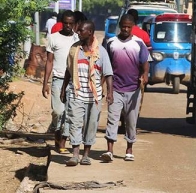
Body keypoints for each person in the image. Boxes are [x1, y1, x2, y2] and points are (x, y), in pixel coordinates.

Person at [60, 21, 113, 166]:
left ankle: (86, 155)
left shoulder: (101, 52)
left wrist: (110, 93)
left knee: (91, 125)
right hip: (76, 93)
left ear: (90, 32)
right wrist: (63, 89)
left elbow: (108, 74)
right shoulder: (74, 49)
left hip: (93, 96)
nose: (78, 32)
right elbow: (68, 70)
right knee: (75, 123)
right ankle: (75, 155)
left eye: (81, 30)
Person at [102, 14, 149, 163]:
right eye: (124, 26)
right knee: (112, 119)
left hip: (133, 89)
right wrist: (103, 86)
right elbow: (105, 65)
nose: (126, 29)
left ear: (133, 26)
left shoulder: (138, 43)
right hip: (115, 88)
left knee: (131, 121)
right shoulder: (111, 43)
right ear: (120, 26)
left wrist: (145, 75)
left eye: (129, 27)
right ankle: (109, 150)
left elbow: (145, 63)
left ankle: (129, 149)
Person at [43, 10, 78, 154]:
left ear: (74, 24)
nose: (68, 26)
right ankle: (57, 133)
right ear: (61, 23)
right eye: (66, 23)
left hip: (73, 81)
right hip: (58, 80)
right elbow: (49, 61)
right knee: (58, 111)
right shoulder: (53, 38)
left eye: (71, 23)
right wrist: (45, 82)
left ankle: (62, 142)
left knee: (69, 113)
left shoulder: (77, 39)